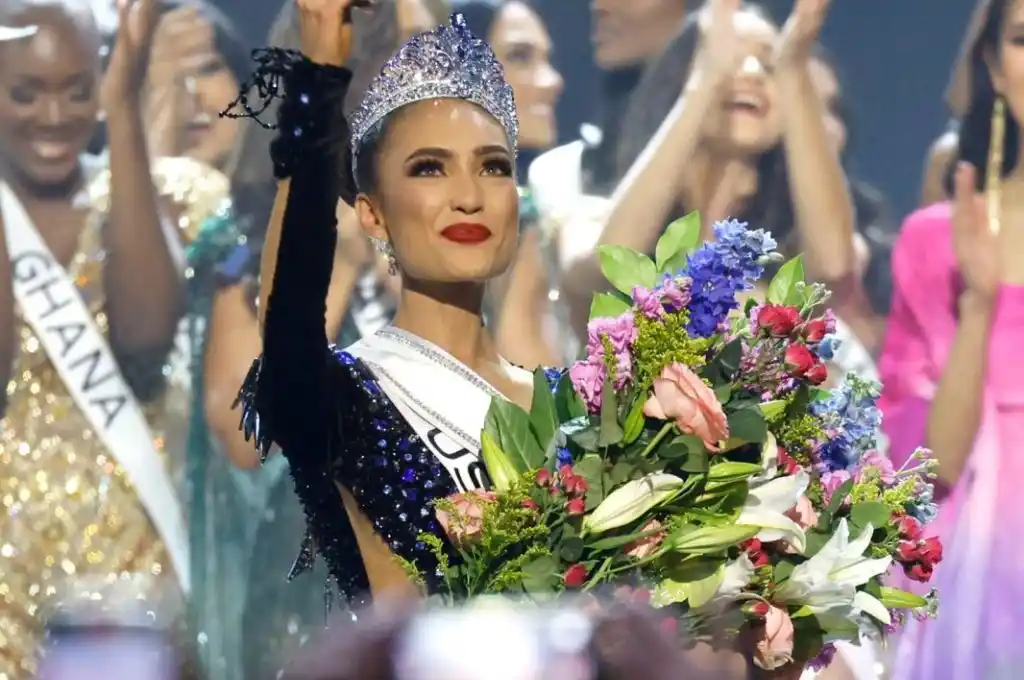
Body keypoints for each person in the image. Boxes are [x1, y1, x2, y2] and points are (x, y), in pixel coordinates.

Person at [227, 2, 755, 676]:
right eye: (428, 168)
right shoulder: (347, 396)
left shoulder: (578, 403)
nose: (468, 195)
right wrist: (321, 68)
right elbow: (289, 321)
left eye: (493, 166)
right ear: (371, 212)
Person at [191, 1, 442, 678]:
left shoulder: (460, 231)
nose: (431, 74)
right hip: (305, 590)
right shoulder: (245, 239)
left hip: (445, 586)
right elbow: (245, 442)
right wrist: (340, 271)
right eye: (409, 50)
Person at [0, 0, 224, 676]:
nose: (55, 115)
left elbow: (146, 340)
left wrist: (123, 99)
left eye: (78, 89)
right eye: (25, 92)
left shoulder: (167, 199)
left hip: (137, 590)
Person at [881, 0, 1024, 677]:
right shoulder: (934, 241)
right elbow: (929, 465)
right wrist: (979, 306)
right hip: (978, 586)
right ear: (994, 65)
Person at [449, 0, 564, 367]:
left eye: (547, 59)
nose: (553, 81)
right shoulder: (401, 224)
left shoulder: (537, 209)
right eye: (520, 57)